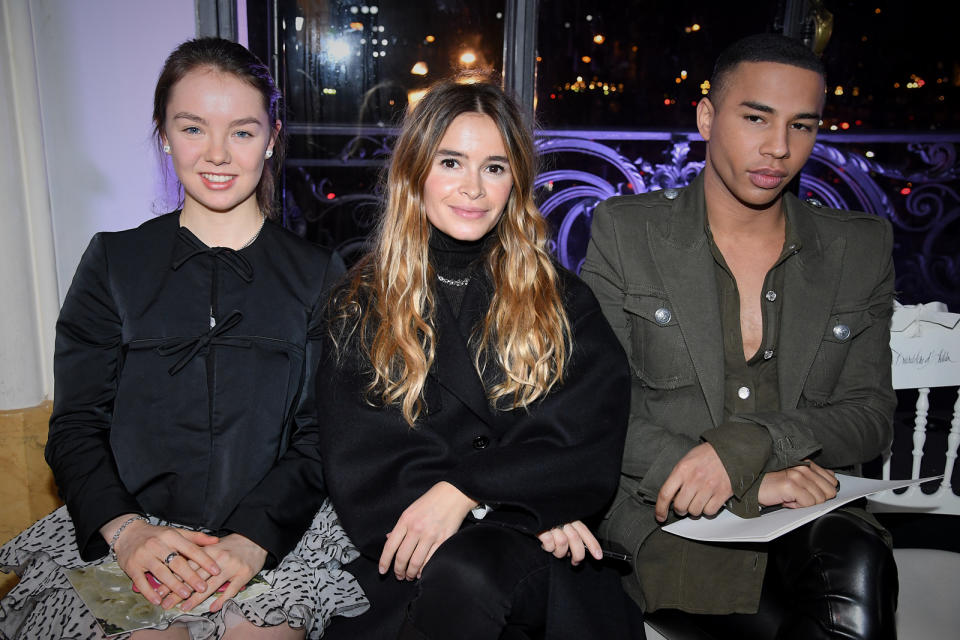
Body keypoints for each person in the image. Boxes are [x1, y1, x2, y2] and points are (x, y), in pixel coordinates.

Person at [0, 38, 367, 639]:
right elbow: (75, 426)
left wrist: (252, 541)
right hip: (127, 532)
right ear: (164, 134)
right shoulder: (114, 263)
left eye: (243, 132)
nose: (218, 154)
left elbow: (319, 435)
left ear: (272, 138)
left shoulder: (318, 273)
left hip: (271, 535)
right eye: (193, 128)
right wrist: (129, 532)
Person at [581, 33, 898, 639]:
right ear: (706, 117)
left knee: (859, 565)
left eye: (802, 126)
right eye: (756, 118)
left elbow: (870, 413)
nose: (778, 149)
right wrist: (751, 480)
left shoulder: (859, 247)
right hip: (671, 516)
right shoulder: (627, 235)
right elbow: (596, 413)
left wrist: (749, 447)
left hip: (812, 512)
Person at [308, 77, 641, 639]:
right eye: (451, 163)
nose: (474, 189)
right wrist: (517, 500)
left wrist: (469, 492)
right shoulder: (361, 302)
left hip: (538, 558)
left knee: (476, 577)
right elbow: (364, 462)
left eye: (494, 167)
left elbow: (583, 444)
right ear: (414, 172)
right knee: (459, 581)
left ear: (515, 182)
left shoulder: (562, 299)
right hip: (410, 555)